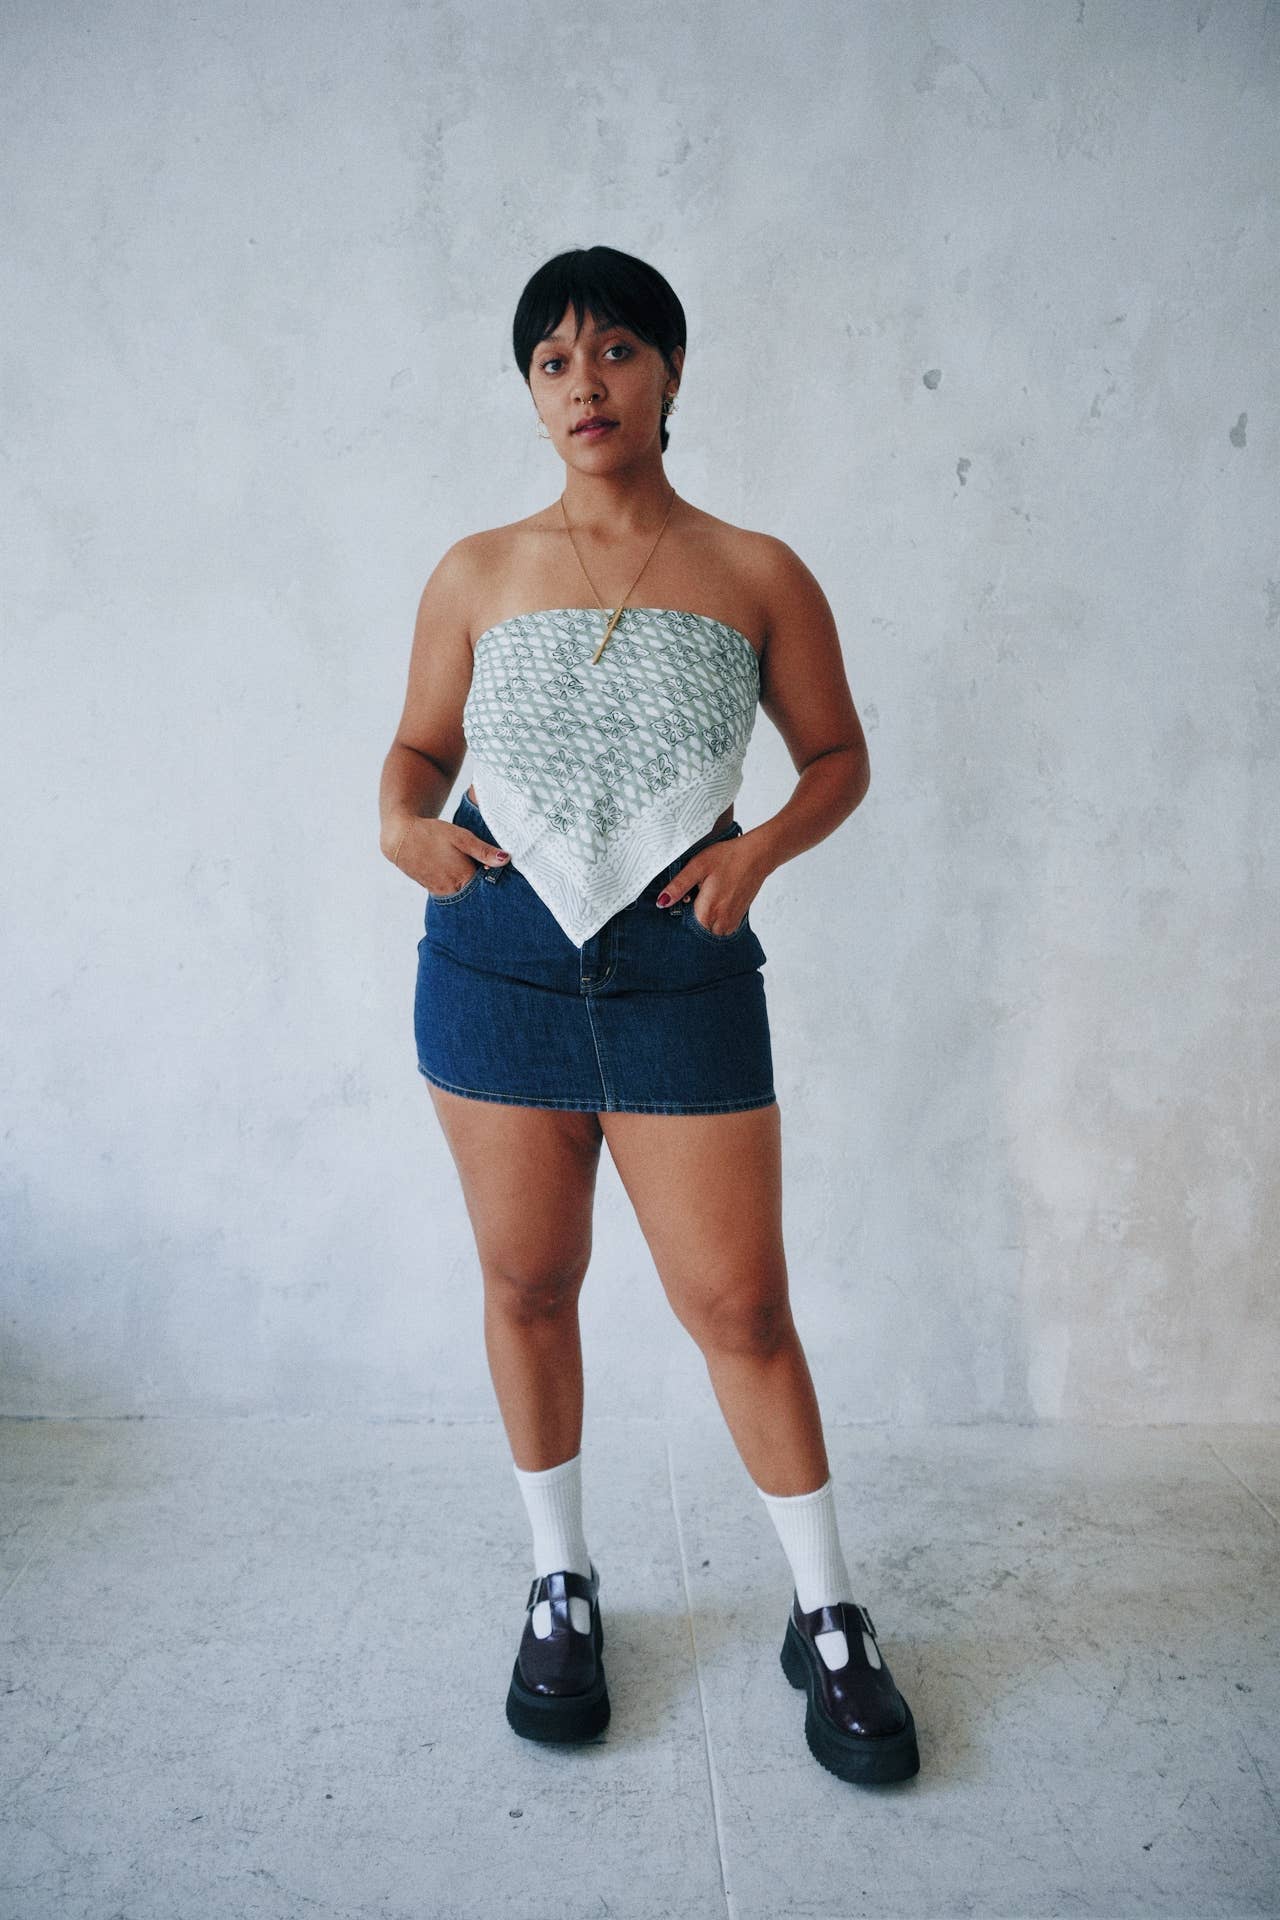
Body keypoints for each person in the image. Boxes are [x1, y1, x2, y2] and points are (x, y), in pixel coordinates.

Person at [378, 245, 919, 1786]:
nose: (586, 383)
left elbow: (837, 758)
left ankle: (826, 1613)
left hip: (685, 967)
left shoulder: (756, 571)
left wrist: (762, 851)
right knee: (527, 1281)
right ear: (530, 392)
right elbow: (417, 754)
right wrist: (403, 825)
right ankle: (561, 1581)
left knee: (740, 1309)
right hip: (495, 964)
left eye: (615, 349)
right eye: (553, 360)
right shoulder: (476, 571)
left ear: (671, 371)